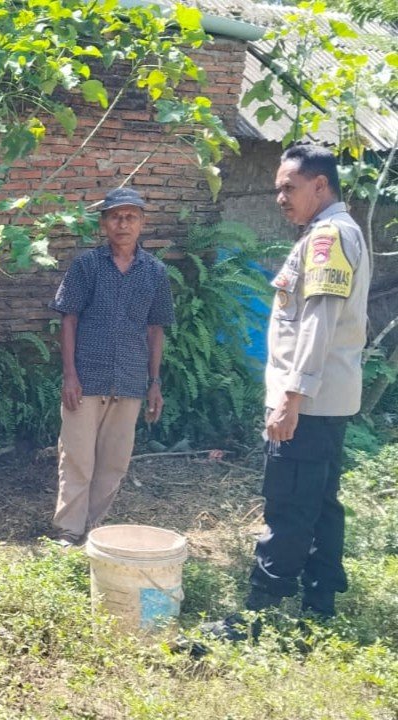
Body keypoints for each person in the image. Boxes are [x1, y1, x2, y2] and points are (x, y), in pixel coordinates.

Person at [206, 144, 370, 640]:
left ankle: (256, 618)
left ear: (320, 185)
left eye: (288, 188)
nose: (280, 197)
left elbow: (317, 322)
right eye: (278, 188)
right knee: (320, 504)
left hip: (307, 405)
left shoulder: (327, 238)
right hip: (328, 401)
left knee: (288, 505)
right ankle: (319, 608)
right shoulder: (340, 232)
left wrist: (291, 398)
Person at [49, 186, 175, 546]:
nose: (123, 224)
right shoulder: (86, 266)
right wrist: (69, 375)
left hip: (131, 380)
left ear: (142, 223)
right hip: (86, 378)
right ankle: (69, 530)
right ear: (103, 224)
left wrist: (154, 382)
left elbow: (156, 329)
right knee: (77, 458)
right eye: (116, 217)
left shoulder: (155, 272)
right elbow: (68, 319)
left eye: (131, 217)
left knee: (114, 462)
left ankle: (93, 528)